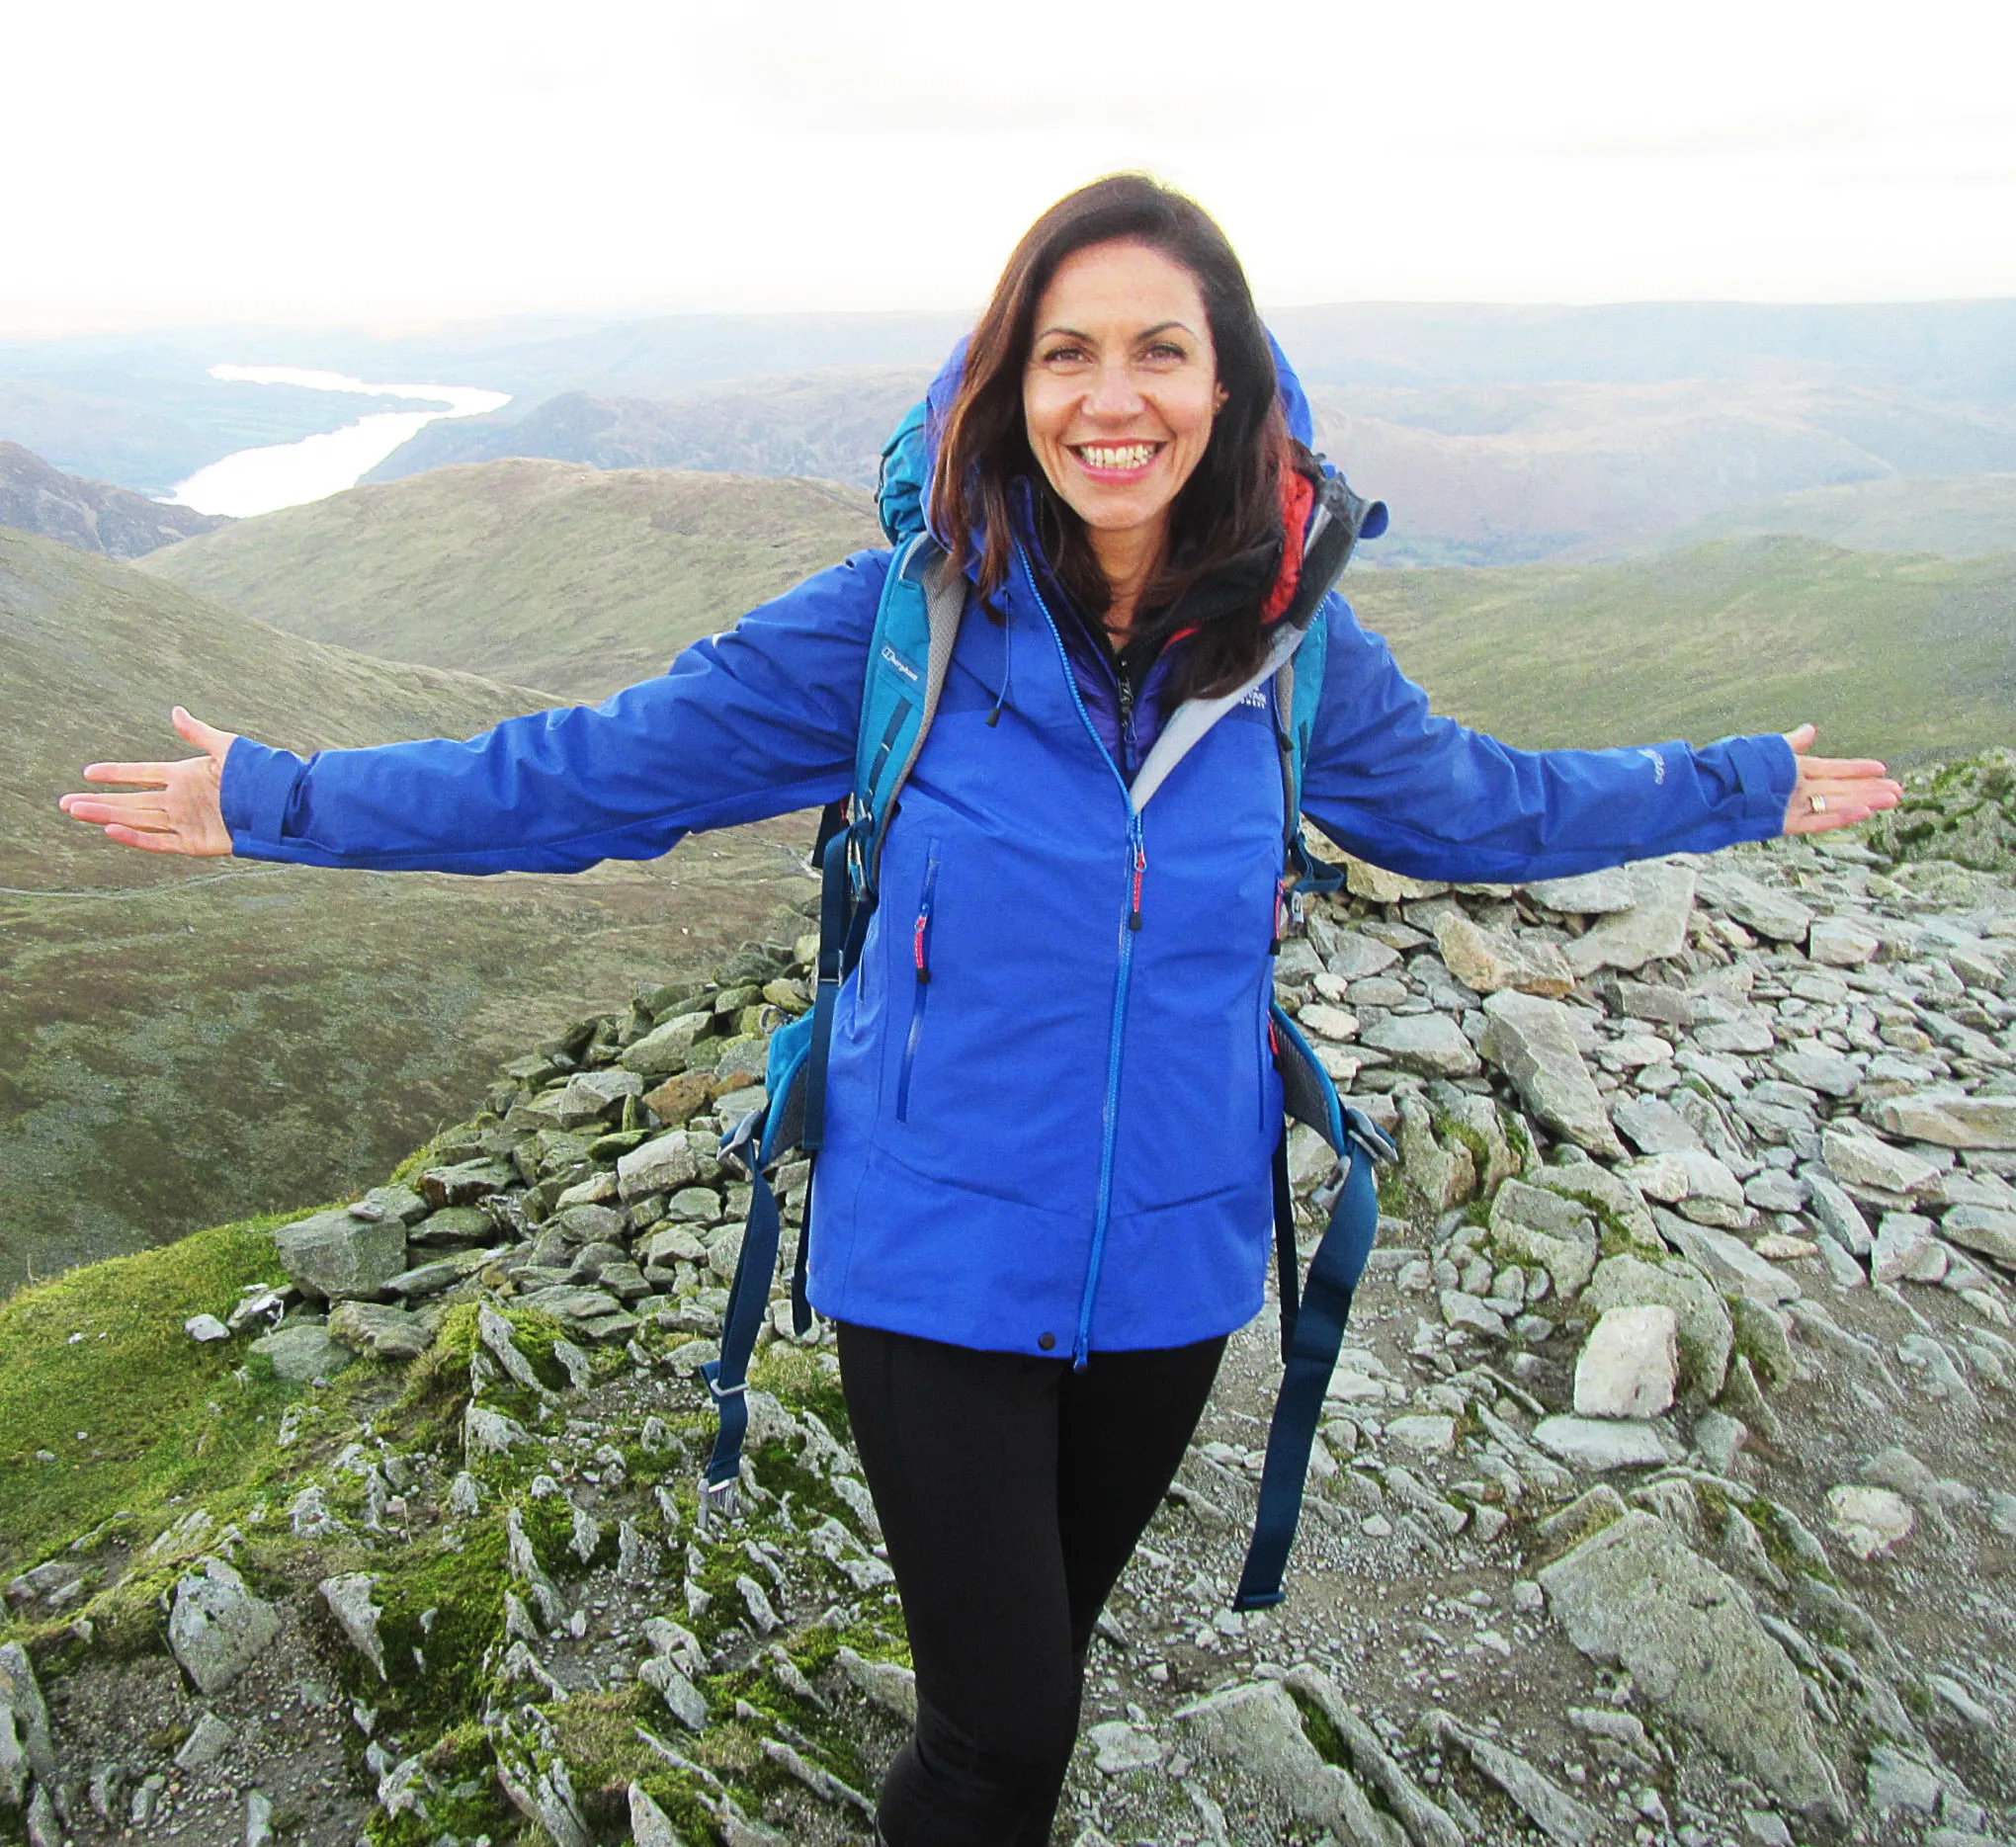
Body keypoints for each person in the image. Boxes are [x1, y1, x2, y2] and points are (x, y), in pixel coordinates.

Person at [61, 175, 1899, 1846]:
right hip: (933, 1253)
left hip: (1174, 1265)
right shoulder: (895, 624)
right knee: (1004, 1733)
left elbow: (1485, 808)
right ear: (1010, 384)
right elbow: (588, 775)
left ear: (1232, 385)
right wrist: (281, 800)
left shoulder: (1292, 647)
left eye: (1160, 351)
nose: (1115, 396)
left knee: (1032, 1690)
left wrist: (1735, 785)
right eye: (1066, 352)